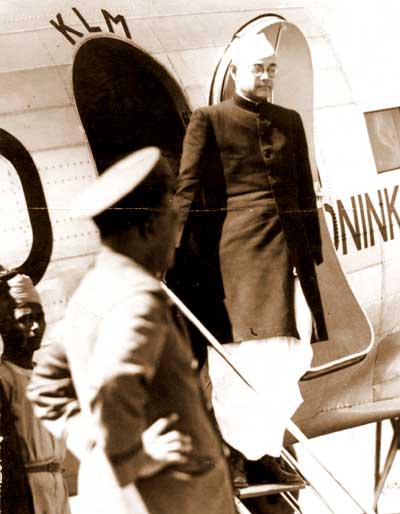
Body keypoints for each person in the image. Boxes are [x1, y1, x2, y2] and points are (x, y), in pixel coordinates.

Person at [28, 147, 236, 514]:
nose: (177, 230)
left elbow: (46, 384)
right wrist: (132, 457)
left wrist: (93, 446)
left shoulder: (91, 293)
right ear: (150, 226)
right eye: (173, 217)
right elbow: (115, 385)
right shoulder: (138, 300)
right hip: (171, 503)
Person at [173, 32, 328, 487]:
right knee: (243, 358)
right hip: (239, 255)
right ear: (237, 72)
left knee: (285, 358)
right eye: (257, 68)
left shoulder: (289, 121)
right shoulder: (209, 120)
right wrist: (166, 254)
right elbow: (186, 188)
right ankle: (240, 451)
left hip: (287, 254)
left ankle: (264, 446)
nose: (265, 77)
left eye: (271, 68)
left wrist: (311, 252)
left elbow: (303, 189)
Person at [0, 270, 70, 514]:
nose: (36, 326)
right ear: (6, 323)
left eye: (40, 317)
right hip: (28, 490)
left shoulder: (46, 376)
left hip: (57, 485)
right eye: (26, 319)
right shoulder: (4, 378)